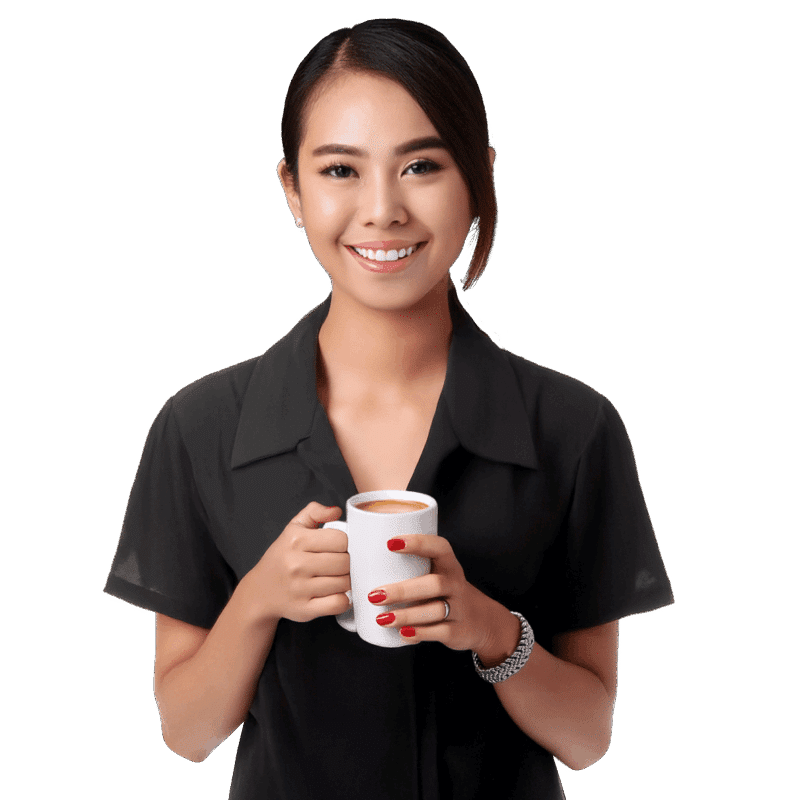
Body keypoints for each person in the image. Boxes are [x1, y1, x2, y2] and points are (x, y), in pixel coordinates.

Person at [102, 18, 675, 800]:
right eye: (340, 169)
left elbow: (587, 738)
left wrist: (492, 632)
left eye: (422, 165)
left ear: (479, 177)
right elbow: (187, 732)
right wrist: (261, 599)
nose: (382, 210)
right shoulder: (200, 427)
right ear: (292, 191)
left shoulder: (572, 428)